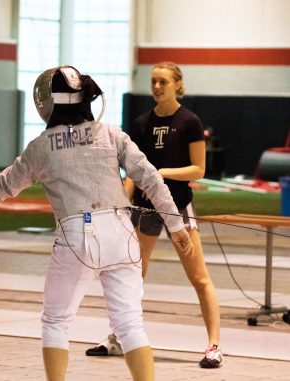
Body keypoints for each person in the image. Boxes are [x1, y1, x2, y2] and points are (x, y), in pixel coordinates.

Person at [0, 65, 194, 381]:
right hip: (122, 233)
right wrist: (176, 226)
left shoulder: (41, 147)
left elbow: (0, 187)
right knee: (130, 324)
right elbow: (150, 178)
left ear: (49, 102)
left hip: (78, 236)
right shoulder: (111, 134)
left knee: (56, 321)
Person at [85, 61, 223, 368]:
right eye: (153, 82)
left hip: (179, 209)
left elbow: (198, 169)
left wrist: (160, 174)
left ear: (177, 85)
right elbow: (133, 170)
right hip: (146, 211)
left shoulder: (189, 121)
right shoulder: (141, 123)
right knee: (131, 274)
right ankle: (118, 337)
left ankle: (214, 346)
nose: (157, 87)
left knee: (199, 277)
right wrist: (123, 197)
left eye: (163, 81)